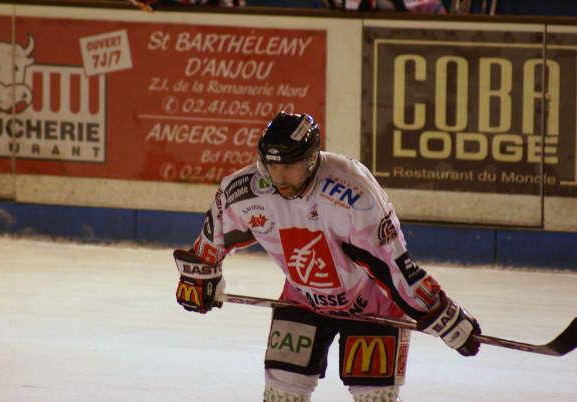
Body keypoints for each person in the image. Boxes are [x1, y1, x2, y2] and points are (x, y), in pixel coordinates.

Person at [173, 112, 481, 402]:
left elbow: (394, 266)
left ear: (310, 161)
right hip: (302, 300)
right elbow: (213, 237)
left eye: (289, 167)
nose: (279, 177)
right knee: (281, 395)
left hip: (372, 306)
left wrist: (441, 312)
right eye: (272, 166)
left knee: (374, 398)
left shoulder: (354, 193)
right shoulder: (245, 190)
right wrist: (199, 277)